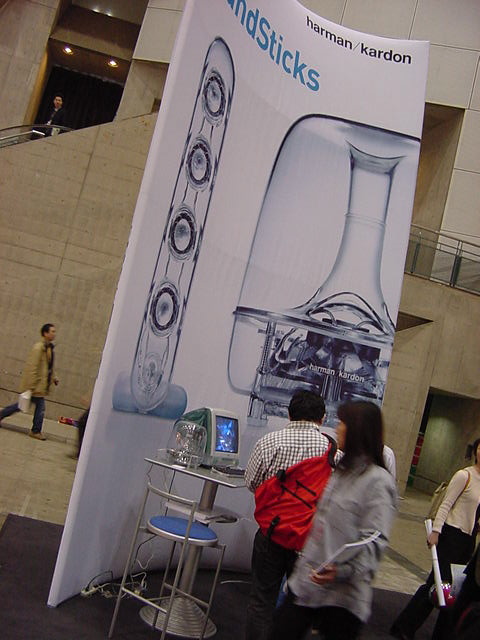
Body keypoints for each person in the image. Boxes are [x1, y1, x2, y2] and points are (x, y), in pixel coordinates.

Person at [268, 400, 397, 640]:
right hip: (307, 583)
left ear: (357, 429)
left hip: (343, 597)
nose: (337, 428)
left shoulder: (378, 482)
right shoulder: (342, 470)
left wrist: (343, 570)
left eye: (343, 423)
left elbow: (374, 542)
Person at [244, 389, 334, 640]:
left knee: (261, 600)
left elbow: (252, 482)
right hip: (308, 540)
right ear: (323, 418)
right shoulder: (333, 453)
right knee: (298, 606)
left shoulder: (269, 442)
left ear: (289, 414)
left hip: (271, 533)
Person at [390, 438, 480, 640]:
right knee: (438, 585)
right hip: (451, 535)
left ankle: (438, 633)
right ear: (475, 451)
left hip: (468, 540)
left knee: (453, 590)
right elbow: (445, 504)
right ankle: (404, 626)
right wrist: (436, 531)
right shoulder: (464, 475)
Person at [0, 323, 59, 440]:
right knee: (39, 408)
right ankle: (35, 431)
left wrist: (54, 377)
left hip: (40, 386)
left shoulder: (48, 348)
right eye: (52, 331)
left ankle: (3, 415)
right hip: (36, 386)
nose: (54, 334)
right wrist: (31, 386)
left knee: (20, 406)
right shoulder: (39, 348)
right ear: (45, 333)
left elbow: (49, 367)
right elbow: (32, 367)